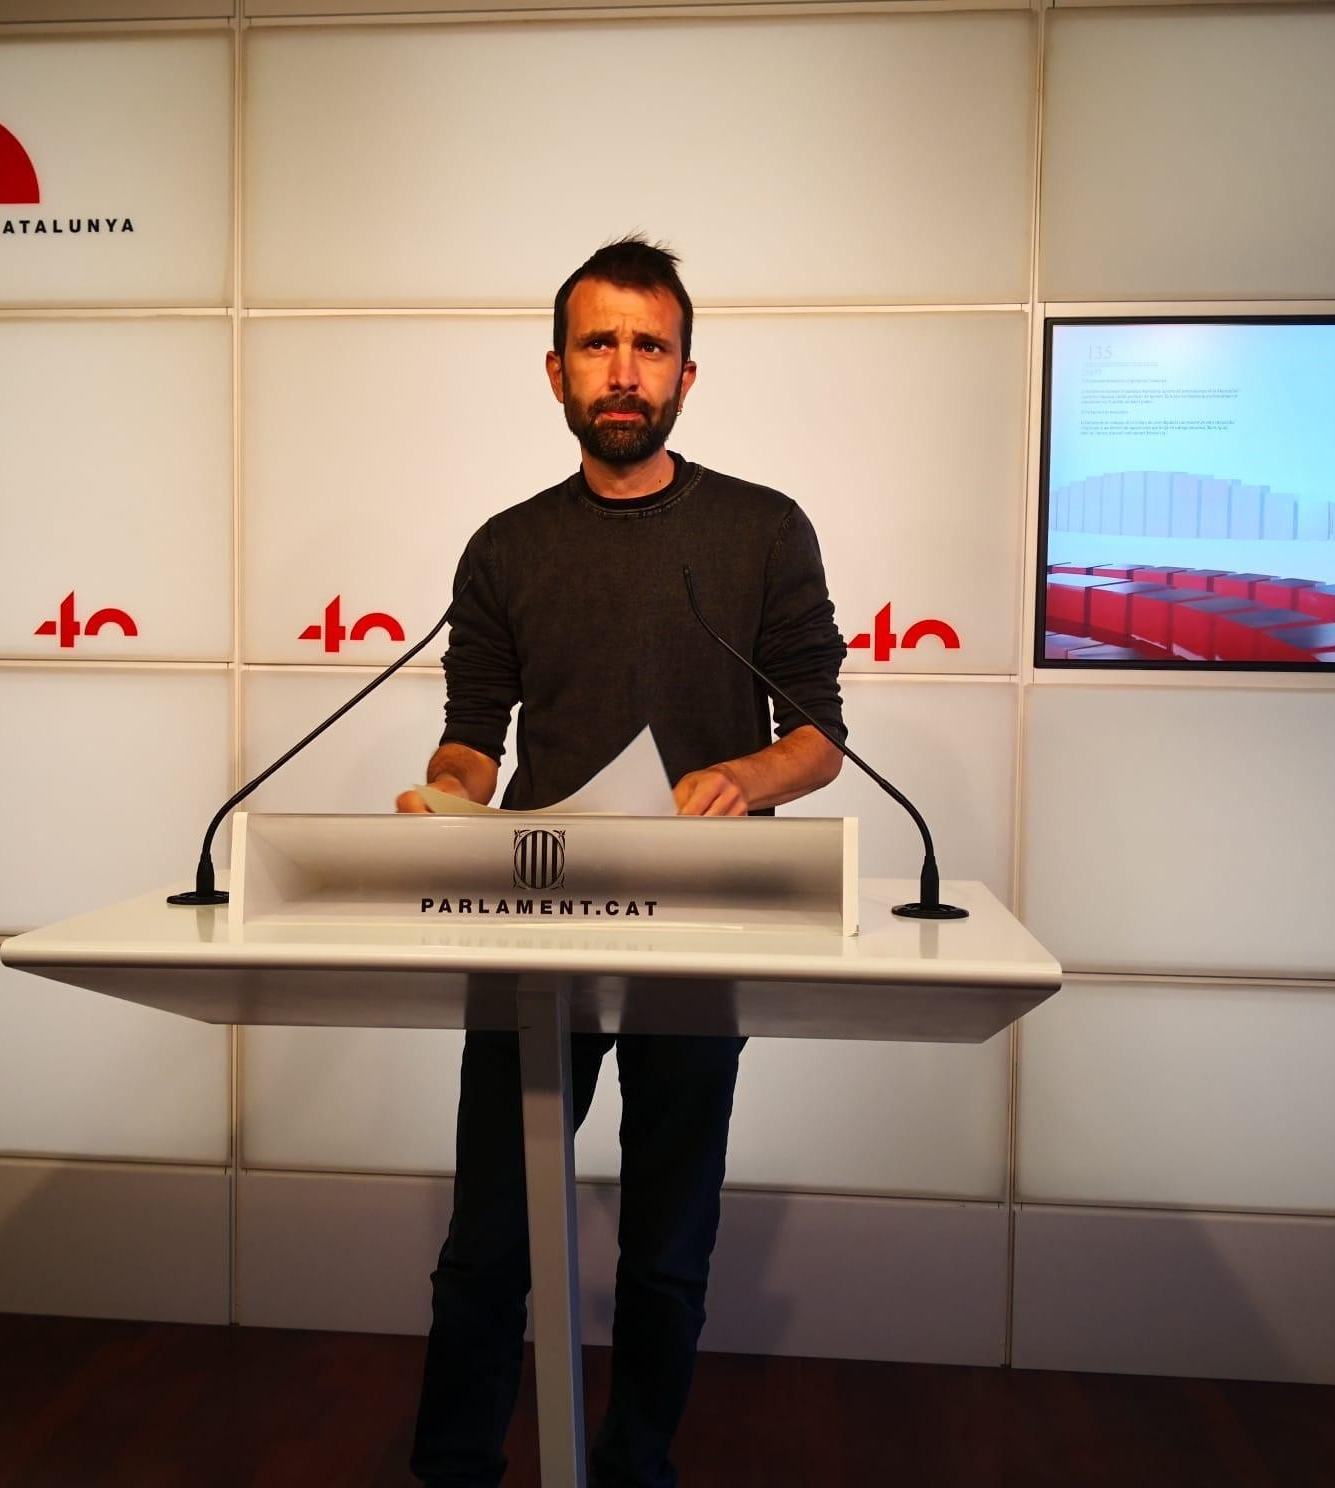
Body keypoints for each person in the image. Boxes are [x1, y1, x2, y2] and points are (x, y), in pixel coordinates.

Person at [398, 237, 848, 1488]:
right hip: (536, 919)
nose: (623, 370)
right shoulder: (504, 547)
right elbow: (470, 738)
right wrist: (445, 801)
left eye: (649, 346)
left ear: (687, 375)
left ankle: (636, 1466)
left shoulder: (762, 531)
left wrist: (746, 779)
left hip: (703, 920)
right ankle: (452, 1468)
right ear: (554, 371)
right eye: (599, 343)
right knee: (490, 1235)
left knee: (665, 1246)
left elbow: (818, 736)